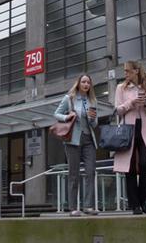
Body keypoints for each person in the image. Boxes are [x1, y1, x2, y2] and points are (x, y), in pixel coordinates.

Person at [113, 60, 146, 215]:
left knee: (145, 164)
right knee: (129, 168)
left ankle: (142, 200)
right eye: (124, 71)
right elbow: (118, 110)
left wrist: (145, 104)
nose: (125, 74)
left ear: (136, 71)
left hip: (144, 129)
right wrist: (131, 102)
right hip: (128, 130)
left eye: (128, 71)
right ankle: (135, 205)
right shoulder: (121, 88)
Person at [54, 73, 99, 216]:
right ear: (78, 83)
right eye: (84, 81)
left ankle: (88, 206)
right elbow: (56, 114)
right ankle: (73, 207)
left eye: (88, 82)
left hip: (88, 140)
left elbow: (94, 124)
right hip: (73, 140)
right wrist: (68, 116)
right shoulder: (69, 99)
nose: (86, 84)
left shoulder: (92, 101)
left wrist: (93, 119)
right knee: (74, 174)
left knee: (90, 172)